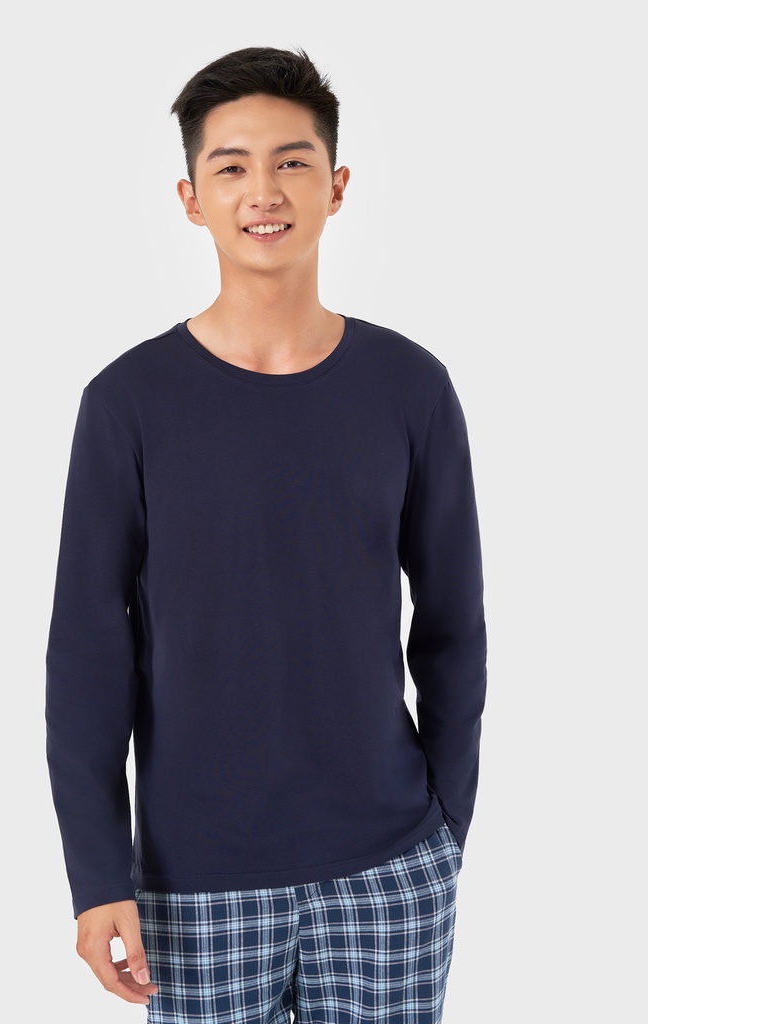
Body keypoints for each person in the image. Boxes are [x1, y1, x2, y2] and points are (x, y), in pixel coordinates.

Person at [45, 46, 488, 1024]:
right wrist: (96, 875)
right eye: (232, 166)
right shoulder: (126, 404)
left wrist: (447, 822)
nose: (264, 192)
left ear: (337, 185)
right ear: (191, 198)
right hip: (193, 883)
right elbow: (86, 654)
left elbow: (454, 624)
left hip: (391, 871)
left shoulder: (410, 387)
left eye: (292, 162)